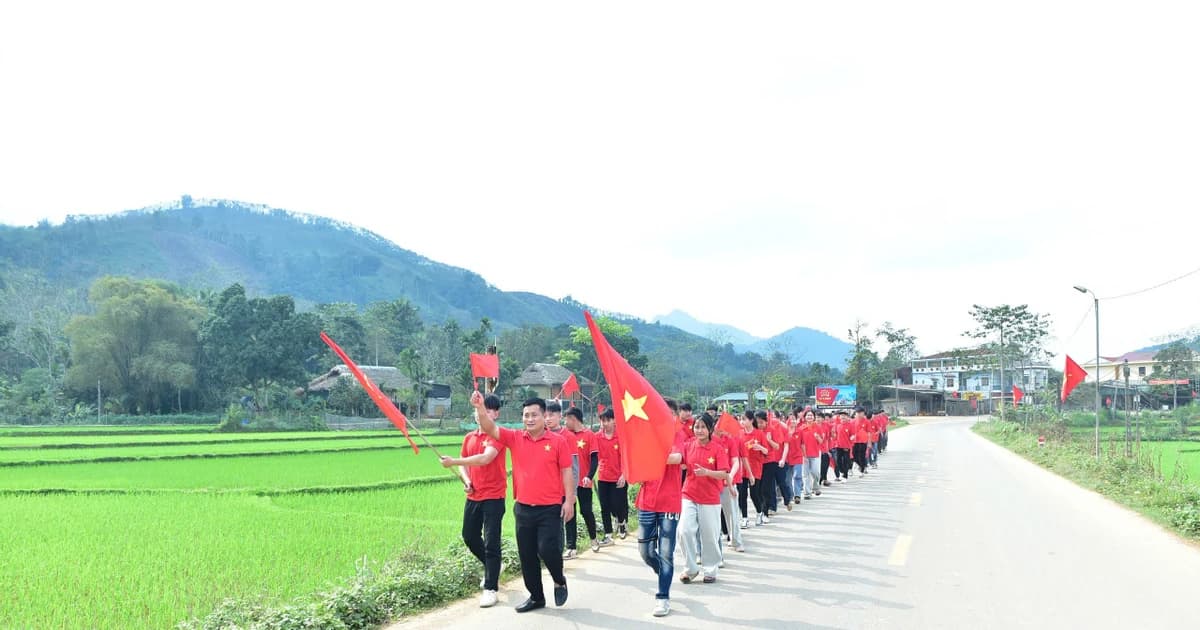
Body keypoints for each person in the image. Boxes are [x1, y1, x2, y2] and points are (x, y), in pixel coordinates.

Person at [472, 392, 574, 613]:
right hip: (524, 507)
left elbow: (567, 471)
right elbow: (490, 428)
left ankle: (559, 579)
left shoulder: (558, 442)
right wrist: (480, 407)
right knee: (527, 555)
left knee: (547, 549)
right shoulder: (515, 438)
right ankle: (536, 597)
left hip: (550, 507)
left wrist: (570, 501)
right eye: (526, 415)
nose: (529, 419)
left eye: (534, 415)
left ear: (544, 416)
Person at [440, 393, 508, 608]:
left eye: (487, 410)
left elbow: (485, 458)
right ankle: (494, 566)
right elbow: (465, 465)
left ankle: (490, 587)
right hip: (474, 495)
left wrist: (453, 461)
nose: (481, 414)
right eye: (479, 409)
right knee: (469, 536)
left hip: (494, 496)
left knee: (491, 541)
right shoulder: (469, 437)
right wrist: (467, 479)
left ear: (495, 414)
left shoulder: (497, 436)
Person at [635, 398, 688, 618]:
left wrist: (654, 455)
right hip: (647, 500)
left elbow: (676, 458)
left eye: (668, 412)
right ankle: (663, 572)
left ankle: (662, 596)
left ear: (674, 415)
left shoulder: (678, 434)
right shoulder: (646, 434)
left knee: (666, 552)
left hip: (669, 502)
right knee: (645, 552)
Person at [677, 413, 731, 584]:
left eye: (702, 427)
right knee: (684, 530)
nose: (699, 430)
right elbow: (679, 460)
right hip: (689, 493)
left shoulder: (717, 448)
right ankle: (691, 568)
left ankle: (710, 569)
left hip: (710, 497)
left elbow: (724, 473)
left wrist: (707, 472)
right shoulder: (688, 446)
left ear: (709, 429)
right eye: (696, 427)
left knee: (709, 535)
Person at [563, 407, 601, 557]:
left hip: (584, 482)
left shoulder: (589, 435)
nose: (565, 422)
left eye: (566, 419)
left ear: (573, 419)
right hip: (569, 483)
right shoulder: (565, 436)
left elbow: (594, 459)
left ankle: (593, 538)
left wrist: (589, 476)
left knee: (585, 511)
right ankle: (571, 547)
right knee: (569, 513)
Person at [594, 408, 628, 544]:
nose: (605, 423)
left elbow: (626, 457)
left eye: (608, 420)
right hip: (603, 477)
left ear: (614, 421)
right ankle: (608, 535)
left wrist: (624, 474)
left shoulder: (620, 436)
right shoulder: (597, 437)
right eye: (603, 421)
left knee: (617, 504)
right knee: (604, 506)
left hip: (618, 477)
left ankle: (621, 522)